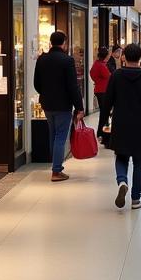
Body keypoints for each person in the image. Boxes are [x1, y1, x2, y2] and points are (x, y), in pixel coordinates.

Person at [99, 43, 141, 210]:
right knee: (139, 161)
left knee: (121, 156)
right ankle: (135, 199)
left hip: (121, 121)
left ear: (124, 57)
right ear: (140, 57)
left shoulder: (116, 75)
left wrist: (101, 126)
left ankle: (122, 181)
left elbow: (107, 102)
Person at [33, 30, 85, 181]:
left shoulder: (42, 59)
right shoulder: (67, 60)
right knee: (61, 137)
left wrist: (46, 94)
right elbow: (73, 86)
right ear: (64, 43)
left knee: (53, 134)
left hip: (47, 104)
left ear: (51, 42)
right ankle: (56, 171)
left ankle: (54, 166)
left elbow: (36, 83)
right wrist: (80, 107)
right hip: (63, 105)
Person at [90, 46, 111, 138]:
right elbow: (108, 76)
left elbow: (91, 74)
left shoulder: (96, 64)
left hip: (99, 89)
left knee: (104, 112)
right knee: (104, 113)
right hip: (103, 91)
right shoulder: (101, 66)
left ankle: (102, 131)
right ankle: (101, 132)